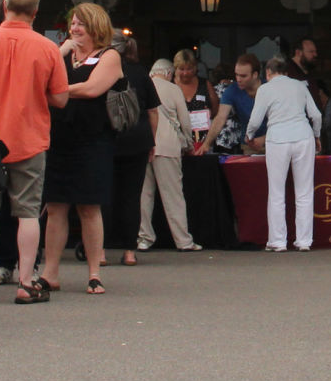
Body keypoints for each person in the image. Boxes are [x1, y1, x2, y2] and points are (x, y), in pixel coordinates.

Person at [0, 0, 68, 306]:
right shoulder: (47, 48)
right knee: (27, 213)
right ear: (36, 11)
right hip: (29, 139)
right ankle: (26, 283)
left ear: (4, 6)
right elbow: (60, 98)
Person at [40, 3, 122, 295]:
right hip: (60, 136)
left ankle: (94, 272)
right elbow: (39, 77)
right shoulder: (63, 55)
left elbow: (92, 88)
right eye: (73, 24)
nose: (75, 29)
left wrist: (57, 91)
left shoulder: (109, 56)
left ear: (96, 27)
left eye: (81, 24)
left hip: (93, 139)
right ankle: (50, 273)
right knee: (56, 205)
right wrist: (59, 53)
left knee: (89, 206)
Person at [245, 56, 321, 252]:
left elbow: (255, 120)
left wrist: (249, 135)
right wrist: (317, 135)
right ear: (286, 72)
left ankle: (278, 241)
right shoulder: (300, 86)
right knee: (304, 192)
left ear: (267, 73)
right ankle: (304, 241)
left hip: (278, 138)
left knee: (277, 192)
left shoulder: (265, 88)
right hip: (303, 136)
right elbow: (316, 115)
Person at [103, 36, 159, 267]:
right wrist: (152, 141)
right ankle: (129, 250)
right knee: (131, 196)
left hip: (108, 138)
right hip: (137, 138)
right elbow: (153, 111)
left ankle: (101, 251)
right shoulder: (141, 73)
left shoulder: (102, 70)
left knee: (103, 196)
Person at [138, 58, 200, 252]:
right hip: (167, 146)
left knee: (144, 195)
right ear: (168, 73)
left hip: (144, 144)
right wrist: (189, 144)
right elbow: (185, 122)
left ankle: (144, 238)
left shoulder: (142, 86)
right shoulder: (173, 89)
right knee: (173, 195)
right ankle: (183, 240)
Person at [201, 53, 262, 155]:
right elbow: (220, 118)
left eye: (243, 76)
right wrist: (206, 144)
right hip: (248, 145)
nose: (238, 79)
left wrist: (264, 139)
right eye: (236, 74)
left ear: (255, 75)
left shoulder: (269, 89)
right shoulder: (232, 90)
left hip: (274, 142)